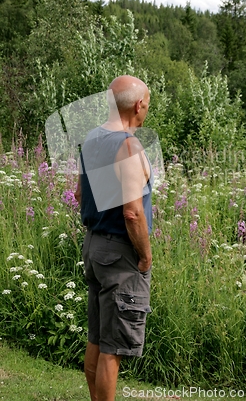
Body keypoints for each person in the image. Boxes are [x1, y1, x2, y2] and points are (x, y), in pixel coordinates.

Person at [74, 75, 153, 401]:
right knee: (112, 350)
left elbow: (79, 193)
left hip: (94, 247)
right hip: (120, 254)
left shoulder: (91, 140)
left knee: (97, 339)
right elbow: (133, 213)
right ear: (138, 106)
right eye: (146, 105)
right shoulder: (128, 145)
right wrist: (145, 256)